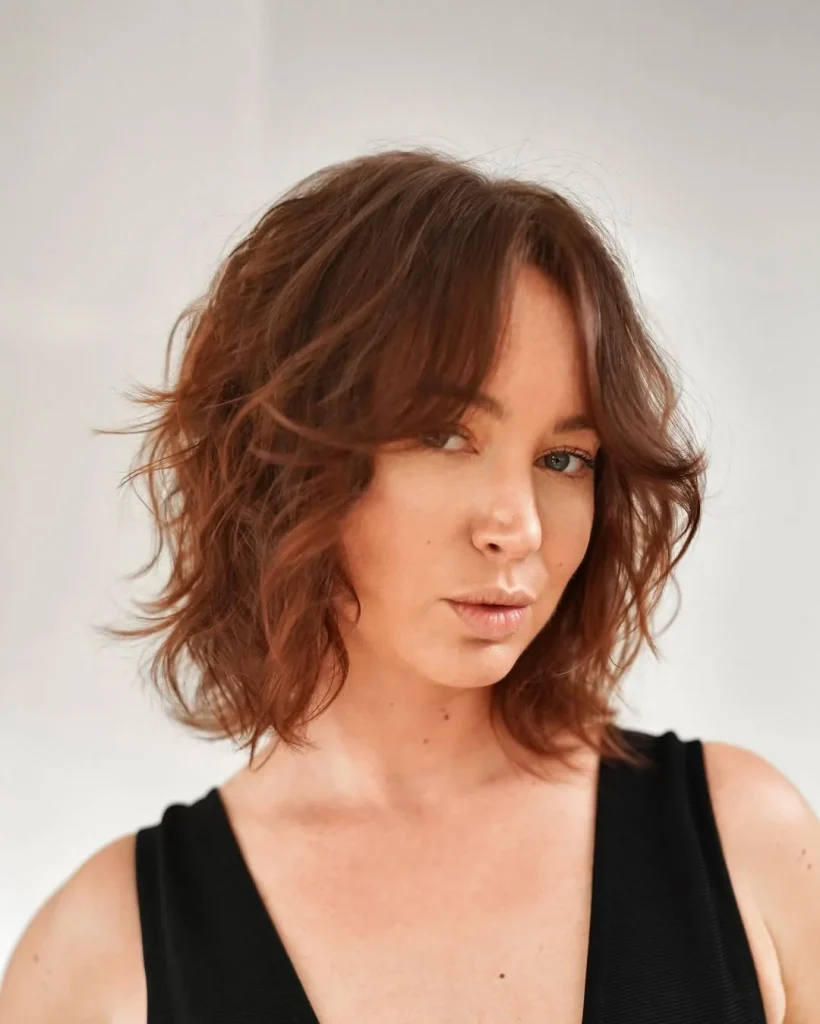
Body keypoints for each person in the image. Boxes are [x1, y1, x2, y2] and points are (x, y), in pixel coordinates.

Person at [1, 148, 817, 1024]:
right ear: (285, 460)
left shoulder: (749, 846)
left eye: (564, 458)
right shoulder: (100, 960)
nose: (520, 527)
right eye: (445, 437)